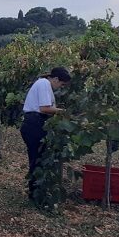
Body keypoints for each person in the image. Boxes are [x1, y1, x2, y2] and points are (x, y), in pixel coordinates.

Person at [20, 67, 71, 198]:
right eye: (61, 84)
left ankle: (36, 190)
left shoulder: (44, 84)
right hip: (34, 124)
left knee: (38, 157)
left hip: (35, 123)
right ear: (55, 79)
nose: (60, 87)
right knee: (37, 159)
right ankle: (35, 193)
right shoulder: (44, 83)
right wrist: (63, 112)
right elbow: (44, 108)